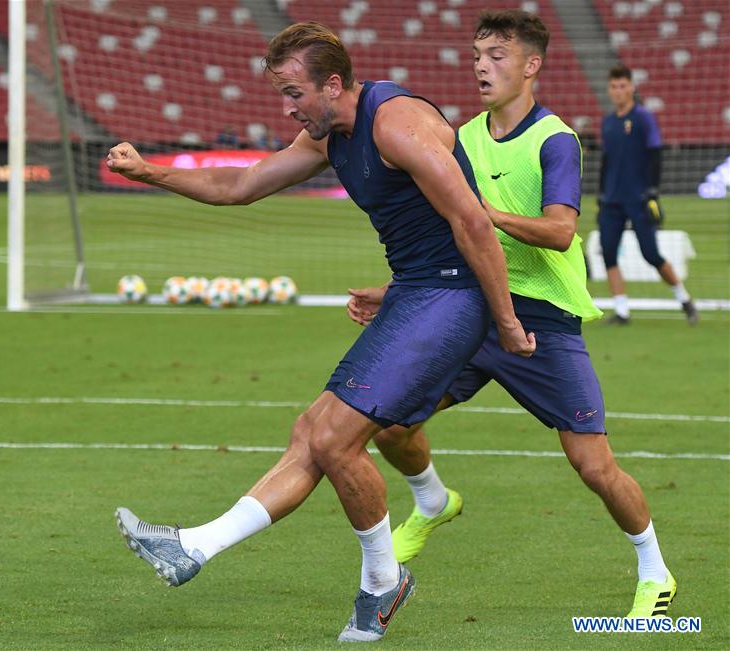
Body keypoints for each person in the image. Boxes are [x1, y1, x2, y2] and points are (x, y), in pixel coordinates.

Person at [106, 21, 534, 642]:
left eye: (293, 91)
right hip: (419, 291)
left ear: (333, 84)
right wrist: (150, 173)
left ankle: (383, 582)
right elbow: (239, 186)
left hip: (454, 294)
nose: (286, 106)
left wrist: (506, 321)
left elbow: (471, 220)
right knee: (312, 432)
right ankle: (194, 547)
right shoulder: (329, 133)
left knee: (335, 439)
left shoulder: (396, 123)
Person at [346, 10, 676, 619]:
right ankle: (432, 500)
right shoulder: (460, 136)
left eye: (497, 56)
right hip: (472, 310)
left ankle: (656, 571)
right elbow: (449, 244)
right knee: (387, 426)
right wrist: (394, 291)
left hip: (543, 322)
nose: (481, 66)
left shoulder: (555, 139)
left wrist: (484, 214)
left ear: (531, 66)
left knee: (593, 465)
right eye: (477, 55)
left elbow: (558, 231)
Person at [598, 66, 698, 325]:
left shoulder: (643, 118)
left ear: (632, 87)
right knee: (608, 251)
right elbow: (606, 160)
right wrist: (601, 193)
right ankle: (622, 311)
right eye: (614, 86)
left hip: (638, 197)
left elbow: (655, 153)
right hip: (611, 199)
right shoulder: (607, 122)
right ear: (609, 90)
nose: (618, 91)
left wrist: (653, 191)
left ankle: (684, 298)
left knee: (651, 254)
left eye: (622, 86)